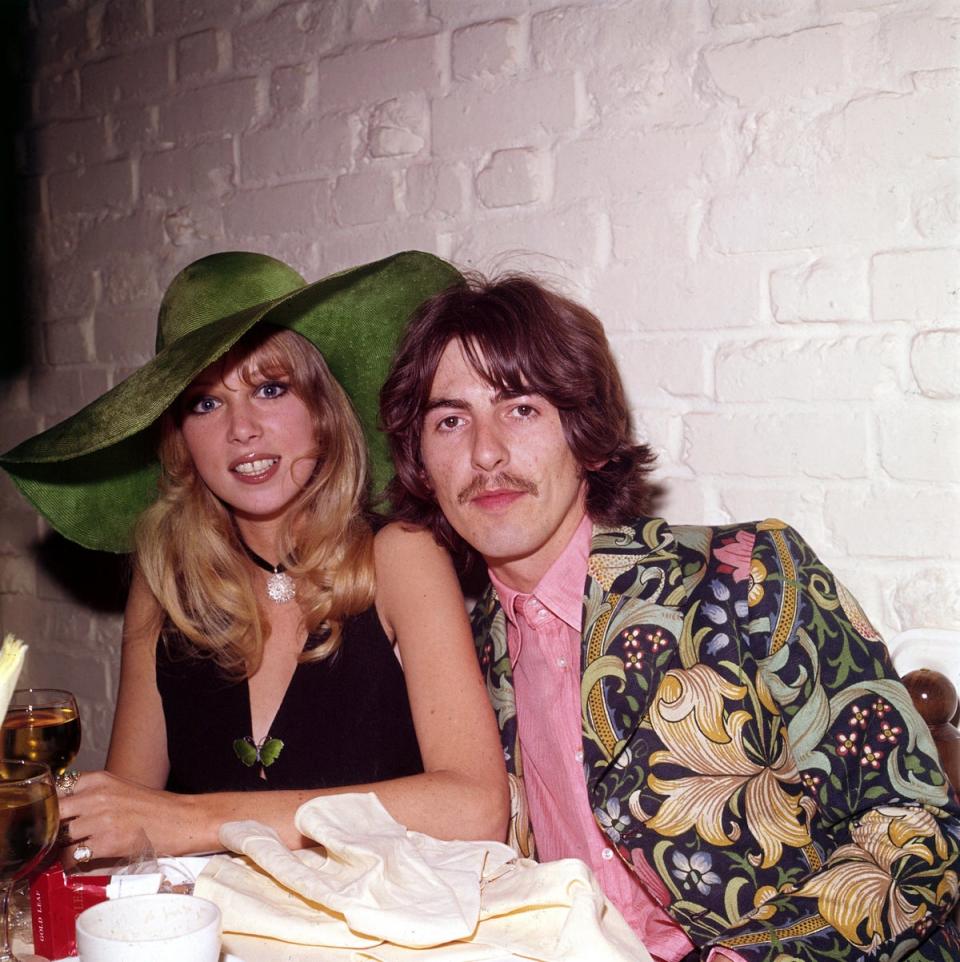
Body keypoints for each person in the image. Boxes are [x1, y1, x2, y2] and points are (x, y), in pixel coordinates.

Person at [379, 272, 960, 962]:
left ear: (588, 437)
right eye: (450, 420)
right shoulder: (464, 662)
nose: (485, 453)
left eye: (522, 409)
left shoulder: (744, 577)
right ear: (422, 464)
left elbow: (917, 831)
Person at [0, 250, 508, 860]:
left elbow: (476, 807)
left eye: (270, 389)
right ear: (180, 438)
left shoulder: (400, 555)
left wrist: (201, 821)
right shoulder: (164, 586)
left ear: (323, 411)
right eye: (205, 403)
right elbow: (131, 823)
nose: (241, 429)